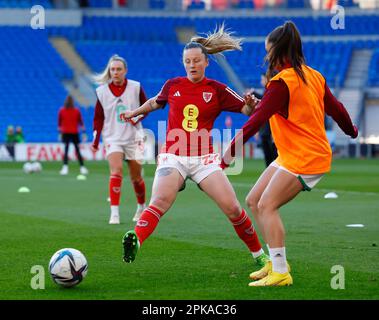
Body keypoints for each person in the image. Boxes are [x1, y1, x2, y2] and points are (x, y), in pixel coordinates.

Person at [221, 21, 358, 286]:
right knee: (254, 199)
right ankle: (275, 261)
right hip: (295, 154)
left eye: (267, 50)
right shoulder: (312, 75)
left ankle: (281, 272)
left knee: (266, 206)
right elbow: (336, 109)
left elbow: (255, 121)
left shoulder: (280, 83)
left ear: (277, 52)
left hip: (306, 158)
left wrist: (228, 154)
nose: (266, 55)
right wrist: (351, 130)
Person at [119, 25, 269, 268]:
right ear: (183, 63)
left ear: (206, 62)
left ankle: (259, 255)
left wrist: (251, 104)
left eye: (196, 61)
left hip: (205, 160)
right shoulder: (173, 85)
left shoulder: (217, 90)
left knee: (232, 208)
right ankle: (136, 239)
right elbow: (156, 102)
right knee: (160, 201)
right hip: (173, 157)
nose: (192, 65)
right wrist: (134, 113)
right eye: (187, 61)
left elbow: (245, 110)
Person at [91, 55, 148, 224]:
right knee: (116, 172)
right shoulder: (101, 91)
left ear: (125, 71)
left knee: (136, 178)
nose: (115, 72)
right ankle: (114, 213)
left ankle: (141, 207)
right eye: (112, 69)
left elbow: (146, 108)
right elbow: (98, 118)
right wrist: (95, 141)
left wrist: (136, 118)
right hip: (112, 138)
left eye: (118, 69)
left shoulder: (135, 87)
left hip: (134, 137)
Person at [58, 95, 89, 176]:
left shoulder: (62, 110)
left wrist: (59, 133)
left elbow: (59, 123)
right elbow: (81, 122)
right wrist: (84, 132)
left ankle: (65, 167)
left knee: (66, 149)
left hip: (66, 132)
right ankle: (82, 167)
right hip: (74, 132)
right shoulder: (76, 110)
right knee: (77, 150)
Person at [254, 73, 277, 167]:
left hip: (270, 131)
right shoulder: (266, 92)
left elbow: (273, 114)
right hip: (265, 130)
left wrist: (274, 132)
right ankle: (271, 178)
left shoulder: (273, 92)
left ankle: (275, 178)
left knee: (274, 157)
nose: (261, 81)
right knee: (268, 158)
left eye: (262, 79)